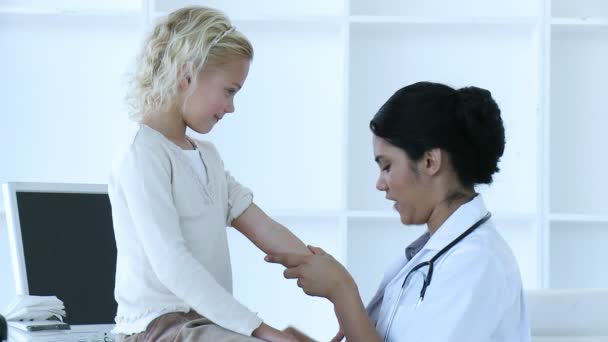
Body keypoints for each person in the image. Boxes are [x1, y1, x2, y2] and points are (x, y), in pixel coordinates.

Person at [266, 81, 531, 341]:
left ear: (430, 161)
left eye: (387, 166)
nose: (380, 184)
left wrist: (341, 290)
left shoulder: (478, 262)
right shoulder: (432, 255)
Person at [108, 6, 309, 342]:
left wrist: (331, 280)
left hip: (206, 323)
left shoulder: (208, 158)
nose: (231, 107)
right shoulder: (141, 153)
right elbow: (172, 264)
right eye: (229, 91)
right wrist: (264, 331)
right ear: (187, 75)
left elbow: (263, 226)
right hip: (157, 328)